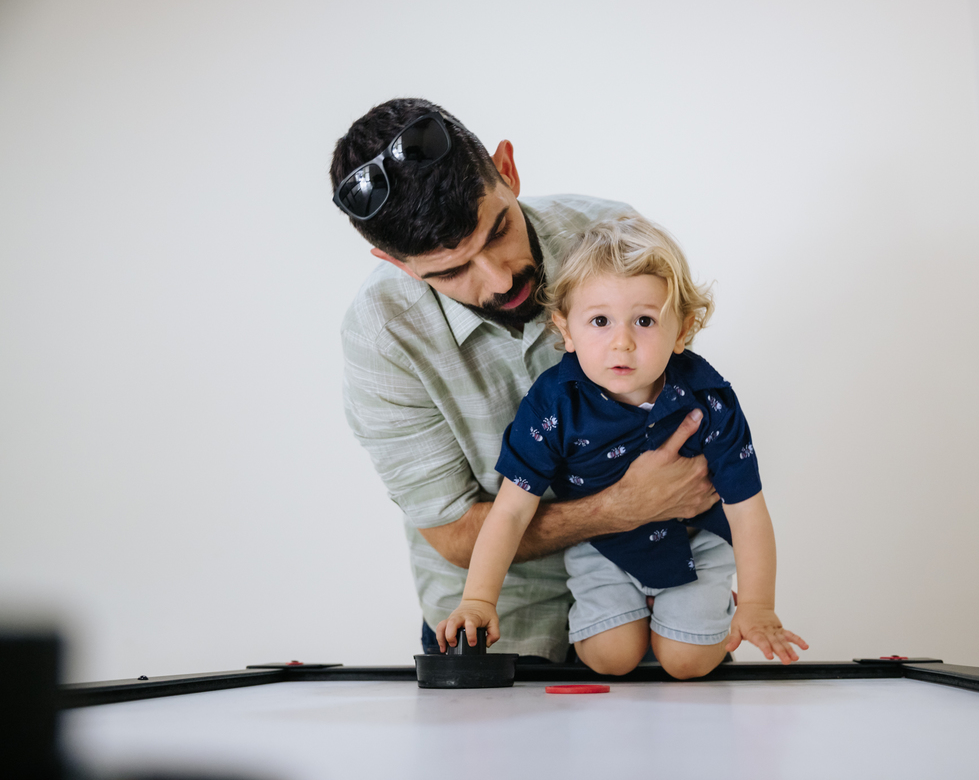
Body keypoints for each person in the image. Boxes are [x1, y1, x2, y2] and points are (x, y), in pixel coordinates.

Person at [332, 99, 719, 662]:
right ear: (396, 262)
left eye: (497, 233)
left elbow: (678, 428)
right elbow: (453, 532)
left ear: (508, 171)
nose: (499, 279)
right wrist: (620, 507)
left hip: (659, 594)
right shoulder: (380, 337)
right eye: (452, 271)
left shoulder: (614, 239)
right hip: (501, 624)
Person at [435, 216, 808, 679]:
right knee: (611, 657)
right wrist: (478, 599)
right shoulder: (554, 405)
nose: (622, 342)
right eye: (600, 321)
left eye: (645, 320)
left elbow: (747, 511)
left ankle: (706, 608)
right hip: (604, 549)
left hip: (696, 544)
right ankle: (634, 616)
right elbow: (510, 512)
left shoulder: (710, 400)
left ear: (682, 330)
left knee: (686, 663)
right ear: (566, 330)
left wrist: (757, 605)